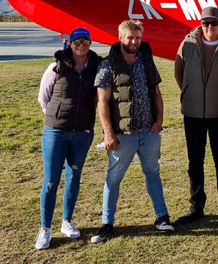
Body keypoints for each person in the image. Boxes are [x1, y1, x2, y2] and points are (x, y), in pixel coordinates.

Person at [91, 20, 174, 243]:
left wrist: (159, 121)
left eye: (138, 38)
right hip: (122, 135)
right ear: (121, 37)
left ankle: (162, 217)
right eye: (130, 38)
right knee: (114, 178)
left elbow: (156, 92)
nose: (134, 42)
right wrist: (108, 133)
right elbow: (102, 102)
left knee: (153, 173)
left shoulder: (146, 61)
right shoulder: (108, 65)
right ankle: (107, 224)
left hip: (148, 131)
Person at [34, 27, 101, 250]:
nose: (81, 44)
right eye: (77, 41)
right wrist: (57, 117)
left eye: (85, 41)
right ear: (70, 43)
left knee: (74, 176)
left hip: (82, 132)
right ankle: (45, 228)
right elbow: (44, 97)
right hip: (56, 130)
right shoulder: (56, 66)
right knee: (51, 180)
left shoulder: (96, 67)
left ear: (90, 43)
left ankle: (67, 221)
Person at [174, 6, 218, 233]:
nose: (209, 27)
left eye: (213, 23)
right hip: (192, 114)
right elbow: (178, 71)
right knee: (195, 163)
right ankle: (197, 207)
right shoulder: (188, 43)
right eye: (205, 23)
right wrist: (191, 93)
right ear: (200, 24)